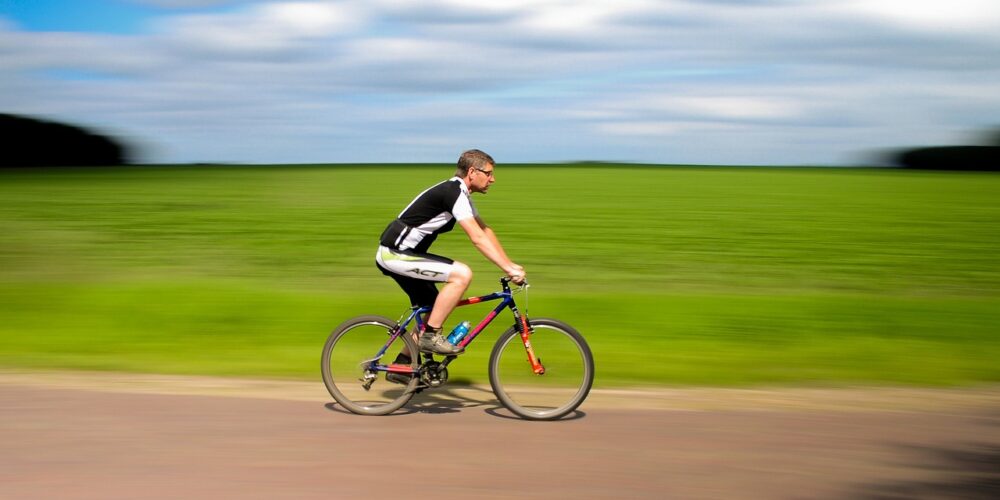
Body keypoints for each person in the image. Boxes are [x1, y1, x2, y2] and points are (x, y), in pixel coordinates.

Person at [376, 150, 525, 380]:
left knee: (434, 308)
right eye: (489, 173)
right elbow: (476, 237)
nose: (492, 179)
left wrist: (510, 263)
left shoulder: (461, 195)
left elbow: (486, 231)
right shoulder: (453, 192)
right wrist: (508, 269)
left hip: (404, 255)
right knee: (462, 275)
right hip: (395, 254)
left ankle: (402, 367)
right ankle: (431, 336)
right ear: (472, 172)